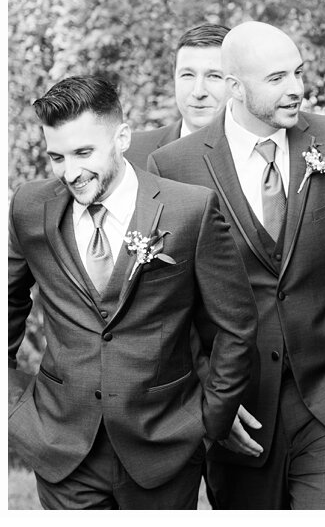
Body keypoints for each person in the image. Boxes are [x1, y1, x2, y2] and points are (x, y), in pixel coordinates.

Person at [148, 21, 325, 509]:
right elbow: (169, 305)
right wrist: (212, 402)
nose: (296, 88)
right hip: (241, 411)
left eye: (298, 72)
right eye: (276, 78)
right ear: (234, 86)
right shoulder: (175, 167)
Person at [8, 76, 256, 509]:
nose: (71, 173)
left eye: (84, 153)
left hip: (164, 446)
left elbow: (234, 327)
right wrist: (12, 407)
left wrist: (209, 422)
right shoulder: (30, 208)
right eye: (56, 157)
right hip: (62, 447)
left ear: (122, 137)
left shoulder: (190, 210)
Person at [124, 23, 229, 167]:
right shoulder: (132, 153)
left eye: (214, 76)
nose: (198, 92)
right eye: (187, 75)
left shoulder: (263, 154)